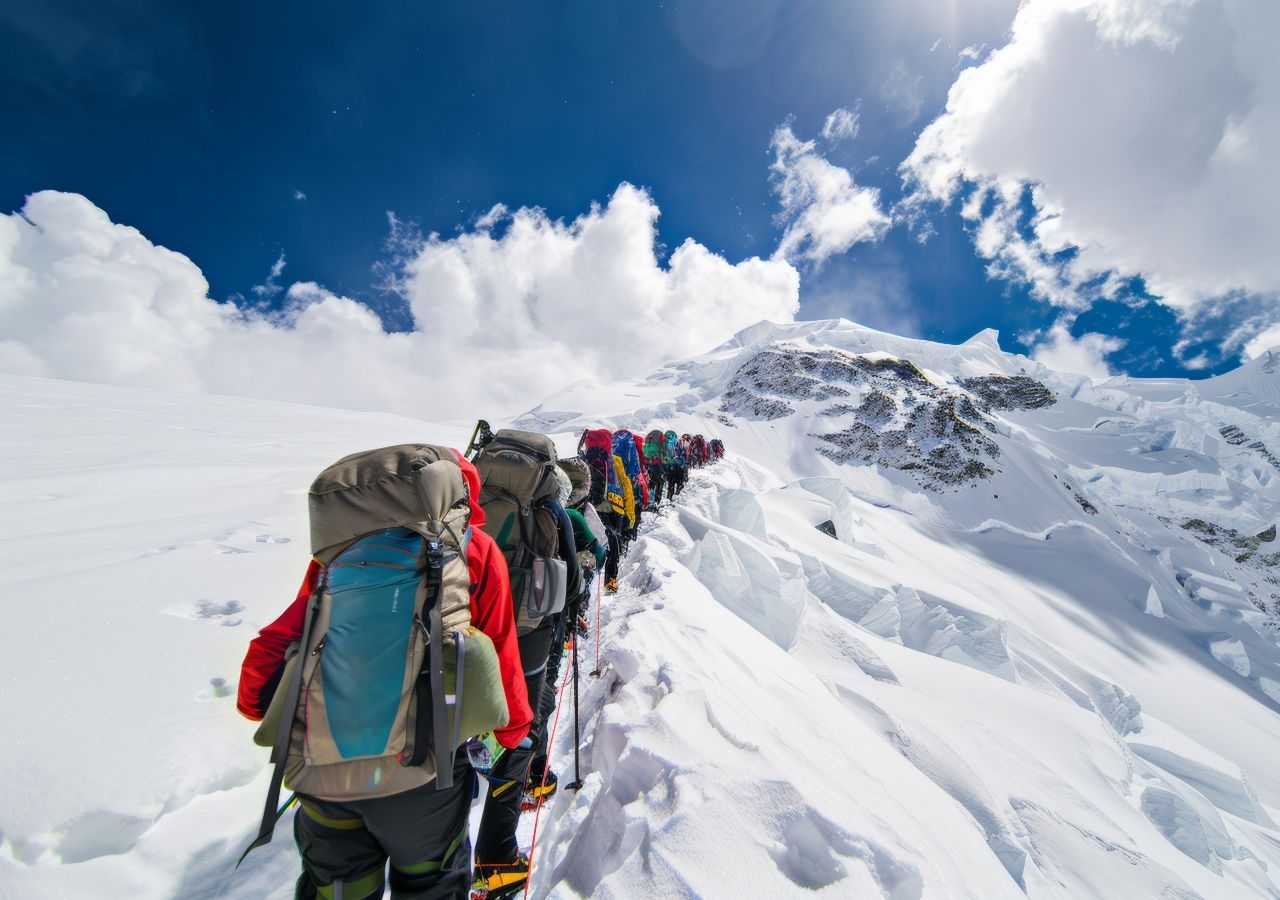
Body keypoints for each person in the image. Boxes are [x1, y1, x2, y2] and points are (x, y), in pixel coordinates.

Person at [237, 451, 532, 900]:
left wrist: (263, 708)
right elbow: (499, 650)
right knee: (431, 884)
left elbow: (278, 643)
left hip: (322, 767)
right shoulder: (474, 548)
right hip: (425, 772)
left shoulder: (337, 556)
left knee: (336, 889)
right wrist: (513, 732)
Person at [473, 458, 583, 898]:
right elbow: (571, 581)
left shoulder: (476, 501)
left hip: (470, 628)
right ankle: (496, 856)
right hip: (529, 633)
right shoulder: (553, 508)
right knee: (522, 726)